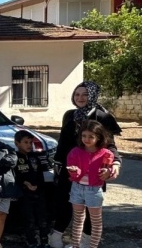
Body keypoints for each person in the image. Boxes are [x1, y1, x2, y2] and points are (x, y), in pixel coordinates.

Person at [49, 81, 122, 248]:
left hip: (94, 170)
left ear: (92, 95)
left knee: (90, 210)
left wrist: (115, 163)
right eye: (77, 94)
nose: (80, 98)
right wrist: (57, 164)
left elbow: (110, 144)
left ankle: (86, 243)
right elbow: (63, 142)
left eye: (85, 94)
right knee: (64, 203)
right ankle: (56, 237)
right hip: (69, 169)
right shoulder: (69, 115)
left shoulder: (102, 116)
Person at [65, 120, 114, 248]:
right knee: (78, 220)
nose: (86, 139)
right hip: (77, 188)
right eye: (84, 136)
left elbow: (110, 171)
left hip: (94, 190)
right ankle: (76, 245)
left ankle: (92, 246)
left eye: (91, 136)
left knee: (96, 222)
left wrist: (108, 171)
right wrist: (74, 171)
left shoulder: (106, 153)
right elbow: (73, 172)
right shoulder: (75, 152)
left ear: (98, 137)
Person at [14, 130, 49, 248]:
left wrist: (39, 185)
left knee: (42, 218)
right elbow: (15, 176)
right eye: (25, 142)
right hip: (24, 194)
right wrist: (25, 183)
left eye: (30, 142)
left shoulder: (36, 156)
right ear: (17, 143)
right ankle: (32, 241)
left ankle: (44, 240)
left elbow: (41, 173)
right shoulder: (15, 158)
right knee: (29, 219)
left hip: (39, 192)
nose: (29, 145)